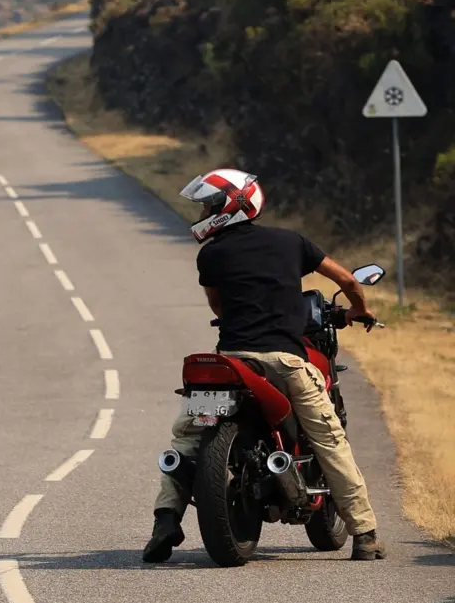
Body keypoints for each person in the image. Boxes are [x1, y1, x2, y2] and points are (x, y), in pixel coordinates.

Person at [144, 168, 385, 563]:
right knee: (329, 439)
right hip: (284, 363)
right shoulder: (292, 242)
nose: (205, 211)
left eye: (210, 204)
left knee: (185, 441)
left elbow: (217, 306)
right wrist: (360, 310)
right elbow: (348, 280)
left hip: (230, 361)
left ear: (234, 205)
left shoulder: (211, 254)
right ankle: (365, 532)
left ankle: (165, 518)